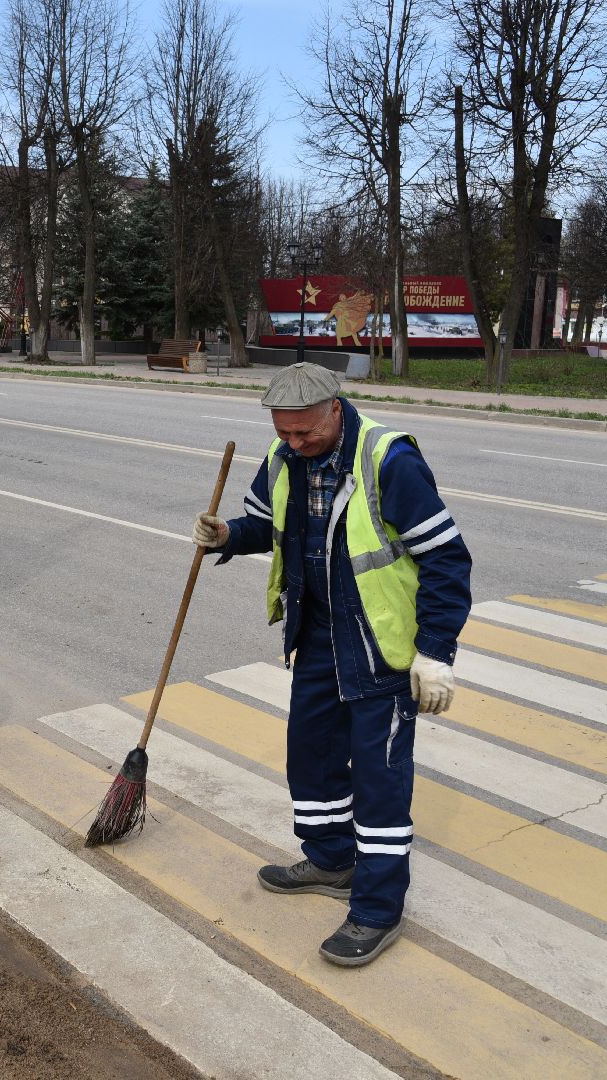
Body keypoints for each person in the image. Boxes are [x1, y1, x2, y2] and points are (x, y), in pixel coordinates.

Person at [194, 362, 471, 967]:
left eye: (304, 434)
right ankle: (330, 859)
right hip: (317, 638)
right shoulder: (283, 454)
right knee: (311, 758)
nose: (293, 444)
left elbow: (447, 560)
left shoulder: (389, 460)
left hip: (380, 649)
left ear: (335, 411)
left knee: (379, 781)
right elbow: (266, 526)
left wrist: (436, 652)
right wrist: (225, 536)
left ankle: (376, 909)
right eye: (284, 433)